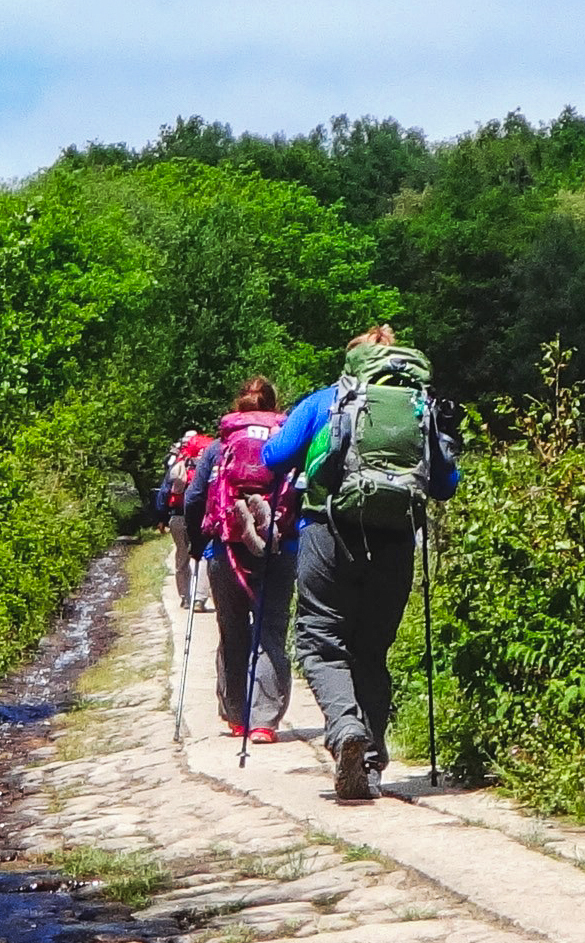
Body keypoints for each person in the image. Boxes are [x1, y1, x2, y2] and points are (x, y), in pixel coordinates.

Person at [261, 326, 458, 802]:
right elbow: (446, 483)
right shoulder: (419, 406)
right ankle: (369, 766)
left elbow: (274, 458)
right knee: (372, 650)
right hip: (394, 540)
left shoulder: (326, 401)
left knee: (320, 641)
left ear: (353, 363)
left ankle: (346, 728)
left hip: (328, 533)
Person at [202, 377, 294, 742]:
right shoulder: (285, 441)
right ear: (274, 405)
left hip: (227, 549)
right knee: (270, 631)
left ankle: (237, 716)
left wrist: (197, 544)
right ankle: (263, 723)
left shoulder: (219, 444)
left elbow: (196, 497)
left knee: (233, 630)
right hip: (278, 546)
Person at [155, 424, 219, 611]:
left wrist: (160, 516)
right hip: (203, 514)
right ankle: (199, 599)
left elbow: (165, 491)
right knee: (203, 555)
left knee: (182, 555)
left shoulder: (179, 461)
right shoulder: (210, 459)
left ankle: (185, 597)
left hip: (178, 515)